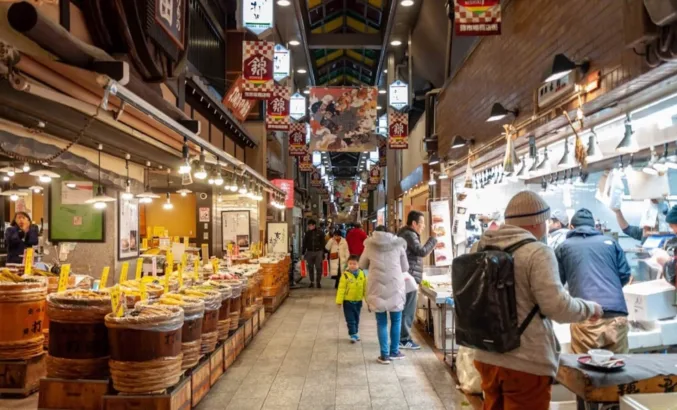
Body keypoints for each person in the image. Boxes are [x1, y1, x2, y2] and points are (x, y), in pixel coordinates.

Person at [472, 191, 602, 410]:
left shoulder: (480, 247)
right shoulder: (537, 253)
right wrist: (589, 309)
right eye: (545, 220)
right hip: (525, 361)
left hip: (486, 355)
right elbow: (557, 307)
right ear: (536, 222)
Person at [556, 208, 632, 354]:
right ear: (594, 227)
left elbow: (555, 284)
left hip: (586, 317)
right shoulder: (611, 242)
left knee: (584, 366)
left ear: (571, 227)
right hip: (617, 317)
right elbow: (624, 274)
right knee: (619, 365)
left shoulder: (564, 247)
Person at [360, 225, 409, 364]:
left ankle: (384, 355)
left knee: (381, 322)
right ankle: (394, 351)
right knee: (396, 320)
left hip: (377, 287)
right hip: (395, 286)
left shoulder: (369, 245)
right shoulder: (398, 244)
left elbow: (362, 265)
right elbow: (405, 267)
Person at [397, 210, 437, 350]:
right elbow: (422, 251)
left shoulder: (405, 233)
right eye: (422, 223)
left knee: (404, 308)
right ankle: (403, 339)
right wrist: (433, 239)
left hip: (407, 276)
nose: (424, 226)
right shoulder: (409, 235)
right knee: (408, 309)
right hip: (409, 277)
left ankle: (400, 338)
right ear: (414, 223)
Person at [336, 255, 367, 343]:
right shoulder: (345, 275)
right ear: (347, 264)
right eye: (350, 263)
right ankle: (353, 334)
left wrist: (368, 300)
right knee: (350, 319)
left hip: (358, 301)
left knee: (356, 318)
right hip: (348, 302)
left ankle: (355, 333)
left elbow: (365, 288)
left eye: (354, 264)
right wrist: (339, 301)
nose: (352, 265)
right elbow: (341, 289)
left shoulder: (362, 274)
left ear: (358, 264)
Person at [303, 220, 326, 288]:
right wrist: (303, 252)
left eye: (310, 225)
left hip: (318, 252)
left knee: (319, 267)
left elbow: (323, 243)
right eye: (309, 225)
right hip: (309, 252)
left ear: (314, 225)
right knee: (310, 267)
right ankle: (312, 282)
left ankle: (318, 282)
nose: (309, 227)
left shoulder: (320, 233)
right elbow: (305, 243)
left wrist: (323, 253)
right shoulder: (307, 233)